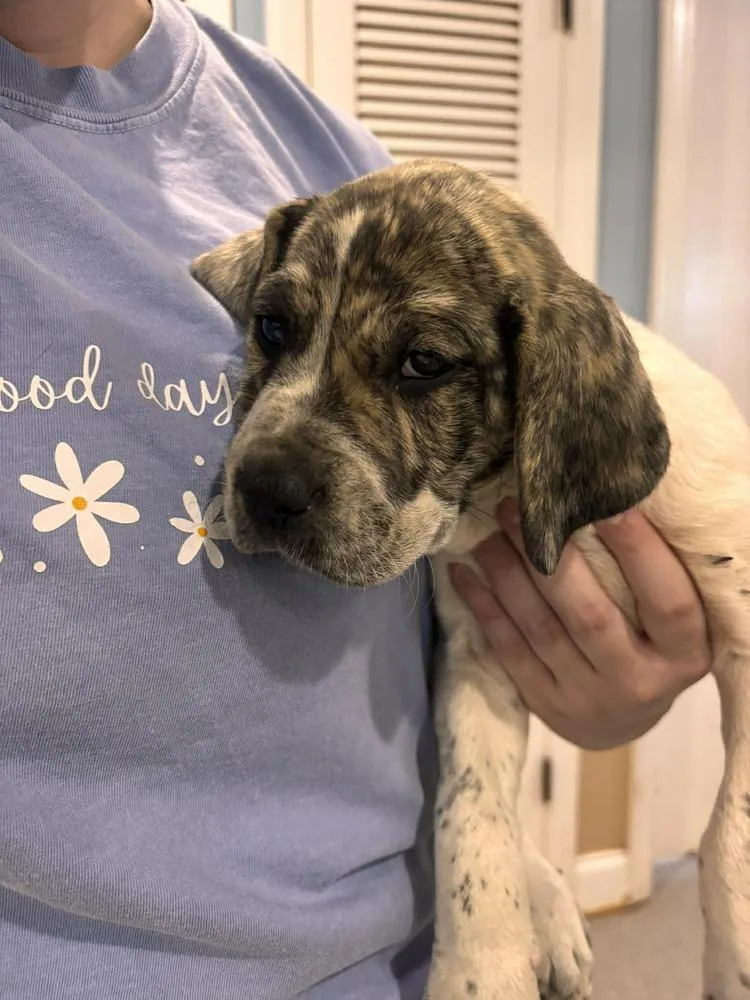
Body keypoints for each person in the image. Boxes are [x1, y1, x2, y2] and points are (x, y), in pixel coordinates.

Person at [0, 2, 711, 997]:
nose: (279, 452)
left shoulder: (326, 155)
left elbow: (442, 623)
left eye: (417, 360)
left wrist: (576, 696)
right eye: (275, 332)